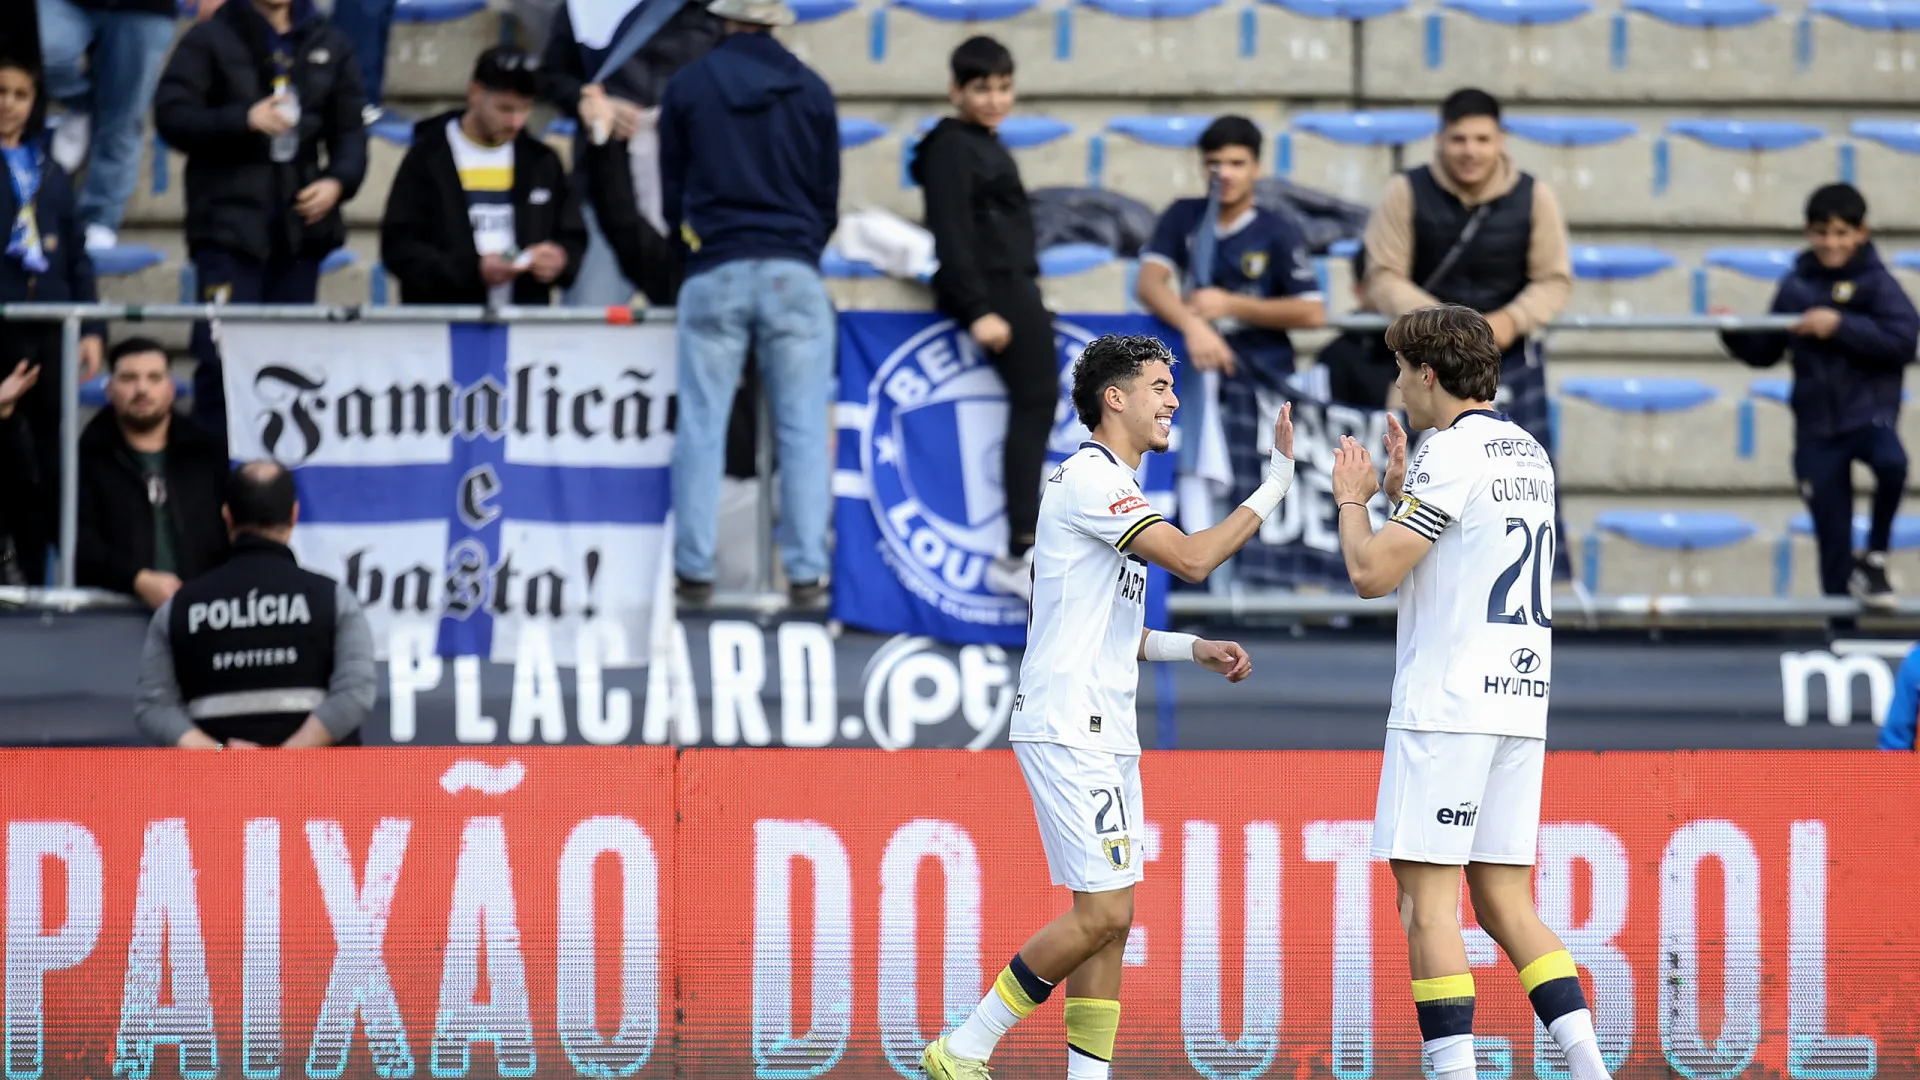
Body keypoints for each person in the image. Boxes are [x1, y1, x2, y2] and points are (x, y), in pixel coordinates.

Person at [921, 334, 1295, 1080]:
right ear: (1113, 398)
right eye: (1159, 385)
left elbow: (1114, 633)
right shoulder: (1093, 482)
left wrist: (1192, 647)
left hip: (1102, 726)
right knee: (1103, 914)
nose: (1173, 400)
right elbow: (1193, 558)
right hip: (1069, 726)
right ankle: (964, 1048)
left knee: (1110, 927)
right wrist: (1278, 479)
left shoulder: (1112, 491)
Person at [1327, 305, 1610, 1080]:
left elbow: (1371, 574)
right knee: (1504, 905)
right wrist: (1397, 496)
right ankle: (1591, 1069)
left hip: (1447, 705)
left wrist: (1355, 500)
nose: (1396, 388)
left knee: (1427, 905)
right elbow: (1459, 552)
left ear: (1426, 374)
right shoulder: (1528, 450)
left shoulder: (1449, 451)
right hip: (1517, 702)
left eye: (1398, 371)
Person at [656, 0, 837, 610]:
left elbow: (671, 196)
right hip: (792, 270)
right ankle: (808, 574)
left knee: (701, 427)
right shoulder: (812, 88)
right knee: (804, 428)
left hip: (716, 268)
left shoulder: (686, 84)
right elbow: (826, 198)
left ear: (721, 17)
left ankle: (693, 573)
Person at [153, 0, 367, 447]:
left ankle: (275, 491)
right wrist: (243, 119)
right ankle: (214, 491)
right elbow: (172, 116)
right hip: (227, 234)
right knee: (220, 360)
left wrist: (337, 183)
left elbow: (350, 133)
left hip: (299, 235)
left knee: (290, 363)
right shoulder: (208, 37)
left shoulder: (330, 40)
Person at [1361, 88, 1571, 526]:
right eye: (1459, 139)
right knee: (1412, 485)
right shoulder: (1405, 191)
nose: (1470, 150)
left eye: (1482, 139)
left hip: (1507, 360)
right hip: (1423, 364)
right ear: (1439, 139)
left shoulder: (1535, 196)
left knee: (1516, 490)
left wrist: (1508, 322)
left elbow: (1554, 280)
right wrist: (1445, 328)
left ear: (1501, 141)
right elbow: (1381, 275)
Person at [1720, 183, 1919, 612]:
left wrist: (1840, 326)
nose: (1832, 243)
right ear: (1810, 233)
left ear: (1861, 233)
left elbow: (1904, 340)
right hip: (1815, 429)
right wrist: (1732, 330)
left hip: (1868, 417)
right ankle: (1839, 636)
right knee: (1832, 539)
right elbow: (1765, 351)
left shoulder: (1877, 284)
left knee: (1892, 463)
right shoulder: (1797, 285)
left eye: (1841, 233)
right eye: (1822, 233)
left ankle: (1877, 556)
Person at [912, 36, 1054, 600]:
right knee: (1036, 401)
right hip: (996, 294)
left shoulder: (985, 143)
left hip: (1015, 287)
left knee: (1039, 402)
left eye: (1003, 87)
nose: (995, 99)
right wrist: (977, 309)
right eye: (981, 88)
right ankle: (1020, 548)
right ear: (956, 90)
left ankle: (1024, 545)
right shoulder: (951, 146)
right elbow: (951, 234)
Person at [134, 460, 376, 748]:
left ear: (227, 516)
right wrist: (283, 759)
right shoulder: (333, 598)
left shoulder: (179, 608)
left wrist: (222, 755)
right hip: (320, 790)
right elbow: (356, 692)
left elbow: (154, 706)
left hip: (217, 789)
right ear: (294, 515)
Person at [538, 0, 723, 306]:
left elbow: (741, 75)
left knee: (696, 324)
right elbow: (552, 76)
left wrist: (689, 110)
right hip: (605, 185)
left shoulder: (716, 8)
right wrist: (591, 102)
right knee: (591, 322)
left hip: (693, 197)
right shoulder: (586, 7)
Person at [0, 50, 104, 583]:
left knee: (45, 460)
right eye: (2, 93)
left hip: (50, 331)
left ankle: (41, 577)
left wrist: (90, 327)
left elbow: (78, 257)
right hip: (4, 329)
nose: (10, 105)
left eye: (21, 95)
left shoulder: (50, 171)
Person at [380, 46, 587, 307]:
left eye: (525, 109)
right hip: (444, 323)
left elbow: (572, 234)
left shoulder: (541, 161)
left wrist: (561, 259)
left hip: (523, 321)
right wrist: (473, 270)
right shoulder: (428, 156)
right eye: (505, 109)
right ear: (475, 94)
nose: (516, 122)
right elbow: (399, 248)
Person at [77, 338, 230, 609]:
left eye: (154, 377)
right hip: (110, 618)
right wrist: (138, 580)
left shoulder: (208, 455)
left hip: (203, 615)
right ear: (109, 389)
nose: (142, 389)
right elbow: (80, 543)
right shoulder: (87, 456)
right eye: (129, 378)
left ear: (171, 389)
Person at [33, 0, 176, 251]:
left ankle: (100, 219)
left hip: (146, 10)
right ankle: (82, 106)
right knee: (47, 55)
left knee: (123, 118)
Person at [1321, 249, 1398, 411]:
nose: (1395, 293)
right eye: (1381, 284)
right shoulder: (1336, 355)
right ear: (1358, 290)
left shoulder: (1424, 350)